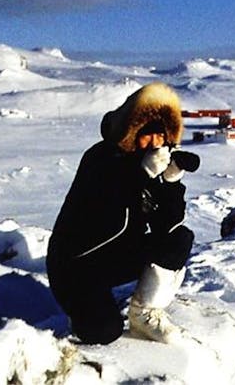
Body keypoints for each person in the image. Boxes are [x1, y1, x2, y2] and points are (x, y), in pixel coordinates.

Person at [46, 82, 195, 345]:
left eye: (161, 136)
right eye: (147, 134)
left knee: (178, 239)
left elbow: (166, 228)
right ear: (132, 131)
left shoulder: (150, 165)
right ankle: (82, 312)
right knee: (104, 332)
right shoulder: (100, 158)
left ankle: (144, 313)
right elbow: (106, 220)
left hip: (115, 255)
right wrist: (140, 176)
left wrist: (170, 184)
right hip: (76, 265)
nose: (155, 143)